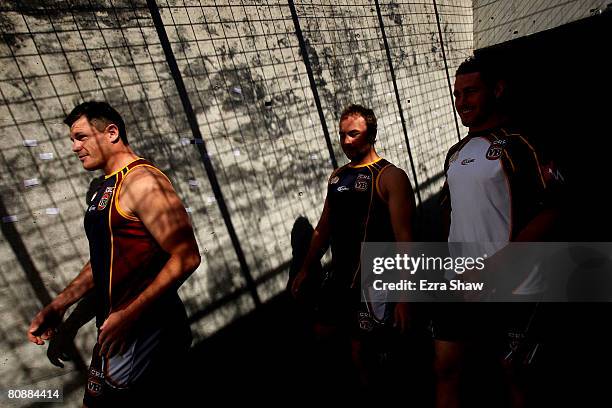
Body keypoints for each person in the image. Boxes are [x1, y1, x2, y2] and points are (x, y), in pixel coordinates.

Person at [27, 101, 201, 406]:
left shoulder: (144, 182)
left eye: (81, 137)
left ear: (111, 132)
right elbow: (105, 262)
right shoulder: (106, 189)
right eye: (72, 139)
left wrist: (129, 315)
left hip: (144, 332)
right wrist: (61, 308)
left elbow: (187, 256)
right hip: (115, 329)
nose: (74, 147)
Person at [433, 55, 563, 408]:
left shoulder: (519, 144)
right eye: (456, 94)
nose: (462, 102)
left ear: (498, 89)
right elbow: (452, 211)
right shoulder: (455, 153)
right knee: (446, 370)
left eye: (471, 92)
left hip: (509, 284)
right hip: (459, 282)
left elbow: (552, 212)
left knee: (514, 375)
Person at [291, 104, 416, 394]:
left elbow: (406, 239)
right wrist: (307, 268)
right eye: (342, 135)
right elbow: (323, 228)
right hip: (339, 280)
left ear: (371, 134)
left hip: (374, 282)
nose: (346, 141)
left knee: (368, 353)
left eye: (354, 134)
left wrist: (406, 297)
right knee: (324, 334)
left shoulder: (389, 176)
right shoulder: (337, 177)